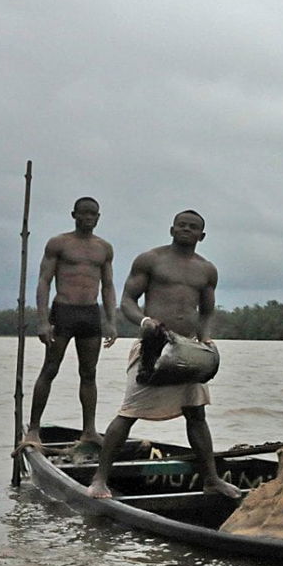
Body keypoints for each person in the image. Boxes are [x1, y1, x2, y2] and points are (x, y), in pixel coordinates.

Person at [87, 210, 241, 500]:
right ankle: (99, 479)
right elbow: (128, 301)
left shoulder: (207, 270)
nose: (186, 229)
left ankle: (211, 479)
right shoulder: (151, 260)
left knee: (196, 413)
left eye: (193, 227)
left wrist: (206, 338)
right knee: (129, 412)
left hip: (188, 349)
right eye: (181, 225)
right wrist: (145, 322)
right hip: (154, 346)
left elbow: (207, 311)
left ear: (202, 236)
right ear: (171, 229)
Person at [18, 197, 118, 451]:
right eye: (83, 213)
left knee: (89, 373)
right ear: (74, 215)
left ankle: (89, 431)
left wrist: (111, 320)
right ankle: (33, 429)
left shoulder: (104, 248)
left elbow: (107, 286)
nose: (88, 218)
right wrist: (42, 321)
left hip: (90, 314)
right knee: (50, 368)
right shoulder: (59, 243)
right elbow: (44, 281)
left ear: (98, 217)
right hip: (63, 312)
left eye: (93, 214)